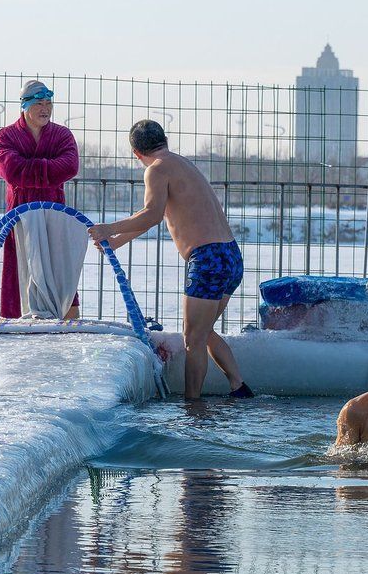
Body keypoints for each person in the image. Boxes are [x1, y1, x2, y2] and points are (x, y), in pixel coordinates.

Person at [87, 120, 252, 399]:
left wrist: (109, 228)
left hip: (208, 259)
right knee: (203, 331)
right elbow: (157, 217)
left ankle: (193, 407)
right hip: (230, 256)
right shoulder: (182, 164)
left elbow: (151, 214)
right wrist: (116, 242)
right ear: (165, 141)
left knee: (193, 339)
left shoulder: (156, 169)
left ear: (135, 152)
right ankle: (239, 387)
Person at [0, 80, 81, 319]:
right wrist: (48, 171)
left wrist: (28, 170)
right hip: (19, 218)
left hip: (55, 215)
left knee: (60, 271)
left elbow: (70, 166)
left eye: (49, 103)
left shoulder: (62, 135)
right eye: (39, 103)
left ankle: (69, 325)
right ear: (24, 106)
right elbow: (9, 170)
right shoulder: (6, 136)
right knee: (19, 271)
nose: (46, 108)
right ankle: (14, 327)